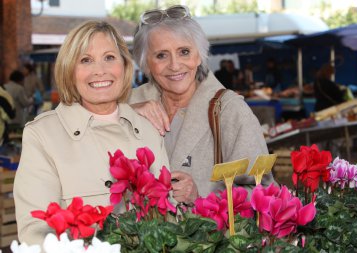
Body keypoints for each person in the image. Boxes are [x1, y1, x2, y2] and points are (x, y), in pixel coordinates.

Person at [14, 21, 169, 246]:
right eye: (86, 60)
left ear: (125, 66)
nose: (100, 70)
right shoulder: (43, 136)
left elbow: (169, 217)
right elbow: (35, 235)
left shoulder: (148, 129)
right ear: (69, 70)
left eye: (109, 57)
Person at [129, 5, 275, 204]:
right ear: (146, 63)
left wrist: (202, 197)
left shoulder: (230, 110)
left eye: (184, 52)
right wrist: (122, 113)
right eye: (161, 55)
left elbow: (264, 192)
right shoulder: (129, 102)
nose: (174, 65)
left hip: (204, 234)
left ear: (199, 56)